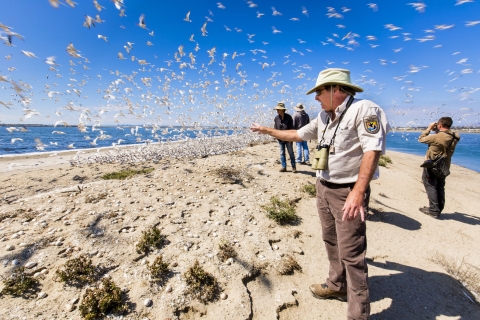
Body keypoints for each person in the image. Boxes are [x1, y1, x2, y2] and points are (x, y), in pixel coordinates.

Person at [251, 68, 389, 320]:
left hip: (347, 191)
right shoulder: (324, 117)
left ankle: (358, 315)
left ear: (336, 90)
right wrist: (267, 131)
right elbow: (296, 134)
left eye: (319, 91)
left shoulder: (366, 110)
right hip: (323, 187)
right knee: (330, 241)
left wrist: (358, 192)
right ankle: (337, 286)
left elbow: (373, 150)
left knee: (352, 253)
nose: (315, 97)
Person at [418, 117, 460, 218]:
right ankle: (438, 208)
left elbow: (421, 139)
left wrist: (429, 128)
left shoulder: (435, 137)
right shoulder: (456, 136)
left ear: (440, 125)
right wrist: (438, 129)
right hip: (445, 165)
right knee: (440, 186)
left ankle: (433, 210)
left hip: (433, 165)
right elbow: (447, 135)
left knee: (430, 185)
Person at [273, 102, 296, 173]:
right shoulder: (276, 118)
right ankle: (284, 167)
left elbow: (292, 128)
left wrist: (291, 138)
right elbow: (275, 127)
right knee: (282, 153)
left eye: (278, 109)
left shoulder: (289, 117)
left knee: (291, 153)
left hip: (288, 138)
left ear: (282, 110)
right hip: (280, 139)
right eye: (277, 109)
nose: (277, 111)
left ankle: (293, 167)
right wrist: (275, 135)